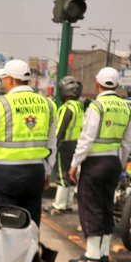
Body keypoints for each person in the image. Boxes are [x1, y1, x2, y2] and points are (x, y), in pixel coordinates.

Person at [0, 59, 57, 226]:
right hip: (35, 173)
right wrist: (47, 171)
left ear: (11, 79)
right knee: (31, 225)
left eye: (3, 79)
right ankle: (31, 251)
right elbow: (51, 144)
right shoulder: (48, 104)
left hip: (6, 175)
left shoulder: (0, 103)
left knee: (2, 225)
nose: (3, 83)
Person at [67, 67, 131, 262]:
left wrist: (74, 164)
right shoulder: (126, 108)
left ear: (97, 84)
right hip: (113, 163)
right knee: (106, 206)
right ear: (117, 85)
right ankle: (104, 253)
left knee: (90, 206)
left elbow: (86, 139)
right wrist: (119, 163)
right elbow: (128, 142)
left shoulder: (96, 107)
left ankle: (92, 255)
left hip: (94, 163)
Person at [49, 76, 85, 215]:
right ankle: (68, 204)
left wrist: (53, 146)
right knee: (71, 174)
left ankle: (59, 206)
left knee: (61, 174)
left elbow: (60, 129)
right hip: (76, 144)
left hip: (64, 145)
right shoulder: (79, 107)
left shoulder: (66, 108)